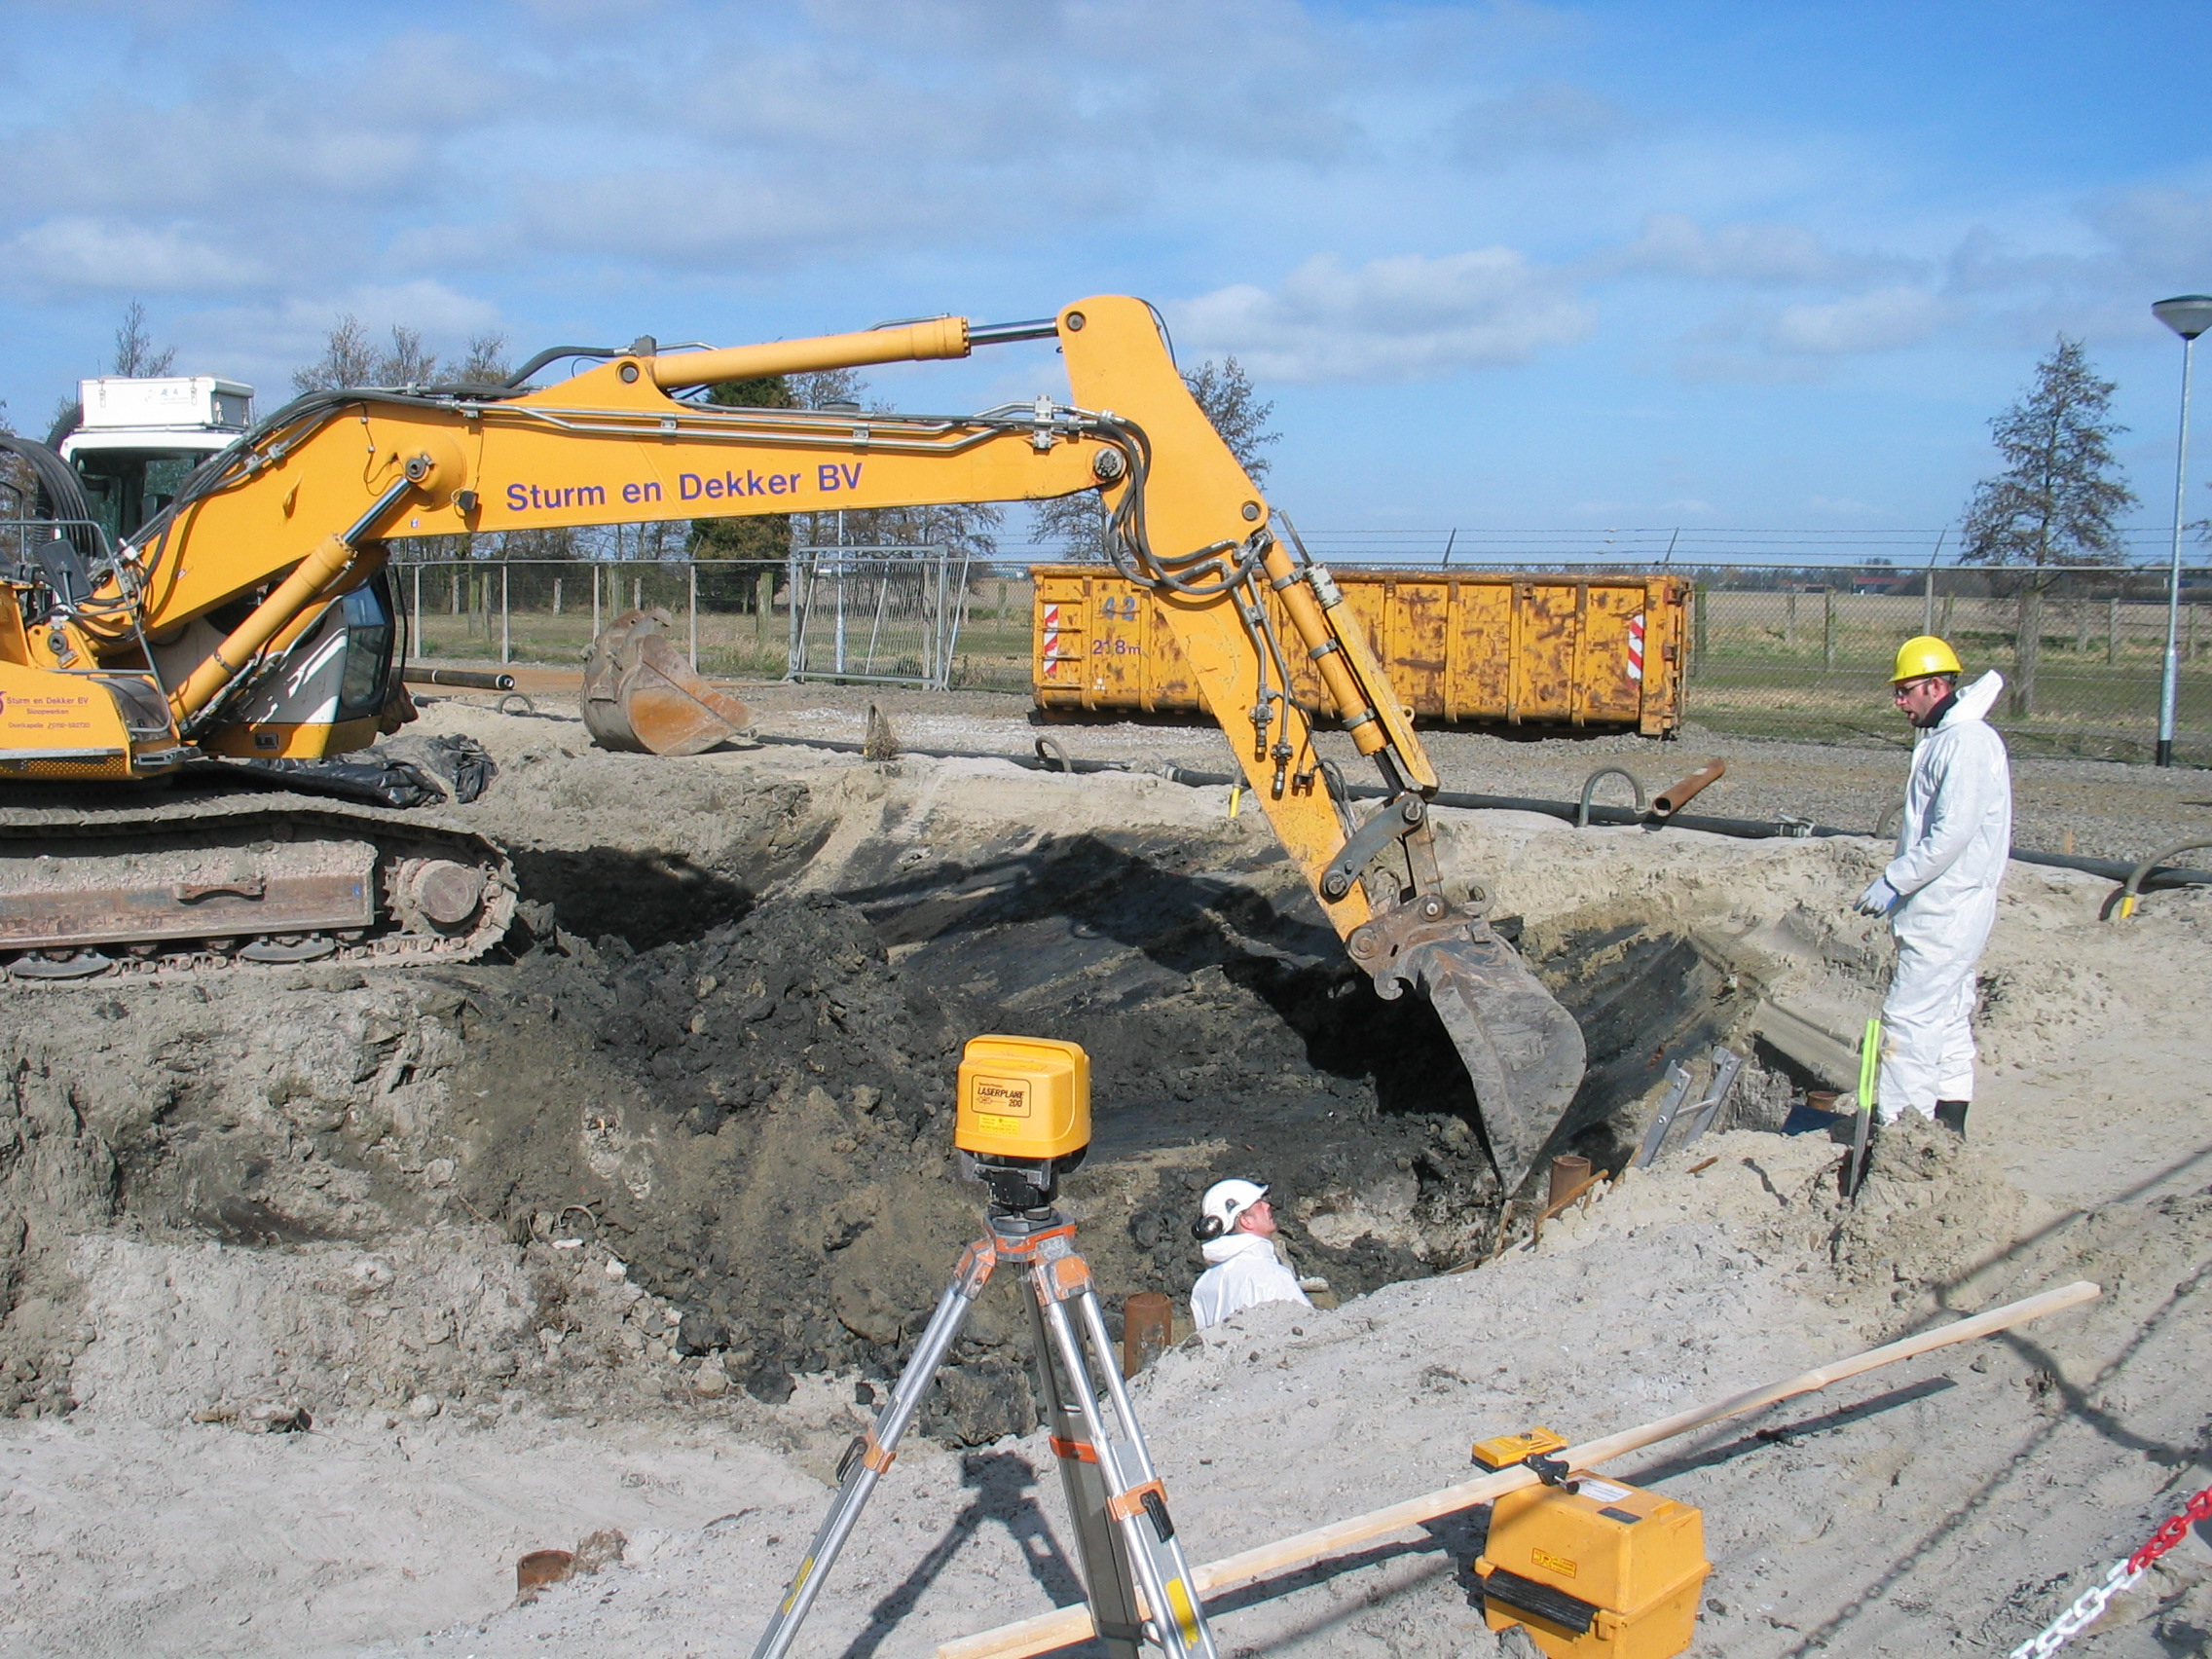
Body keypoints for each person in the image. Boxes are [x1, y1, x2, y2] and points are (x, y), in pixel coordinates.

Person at [1853, 636, 2013, 1136]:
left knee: (1907, 1019)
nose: (1899, 702)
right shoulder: (1945, 739)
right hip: (1942, 907)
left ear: (1936, 686)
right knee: (1946, 1015)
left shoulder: (1967, 744)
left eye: (1906, 691)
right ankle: (1948, 1123)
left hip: (1948, 910)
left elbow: (1951, 835)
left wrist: (1894, 880)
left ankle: (1901, 1129)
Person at [1189, 1179, 1310, 1330]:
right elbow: (1307, 1332)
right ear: (1246, 1220)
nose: (1267, 1206)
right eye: (1258, 1203)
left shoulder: (1205, 1283)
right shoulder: (1272, 1275)